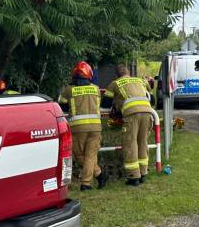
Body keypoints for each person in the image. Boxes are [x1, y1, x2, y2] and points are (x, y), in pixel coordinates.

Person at [58, 62, 105, 192]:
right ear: (89, 74)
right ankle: (99, 175)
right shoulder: (96, 89)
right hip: (95, 127)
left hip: (77, 128)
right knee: (90, 155)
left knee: (79, 155)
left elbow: (62, 107)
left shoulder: (68, 90)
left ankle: (87, 183)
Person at [104, 64, 153, 186]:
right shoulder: (140, 80)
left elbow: (105, 103)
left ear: (117, 75)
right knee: (143, 142)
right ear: (129, 73)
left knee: (130, 144)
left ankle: (133, 177)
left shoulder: (115, 83)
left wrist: (116, 104)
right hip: (148, 112)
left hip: (131, 114)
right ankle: (143, 173)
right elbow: (150, 91)